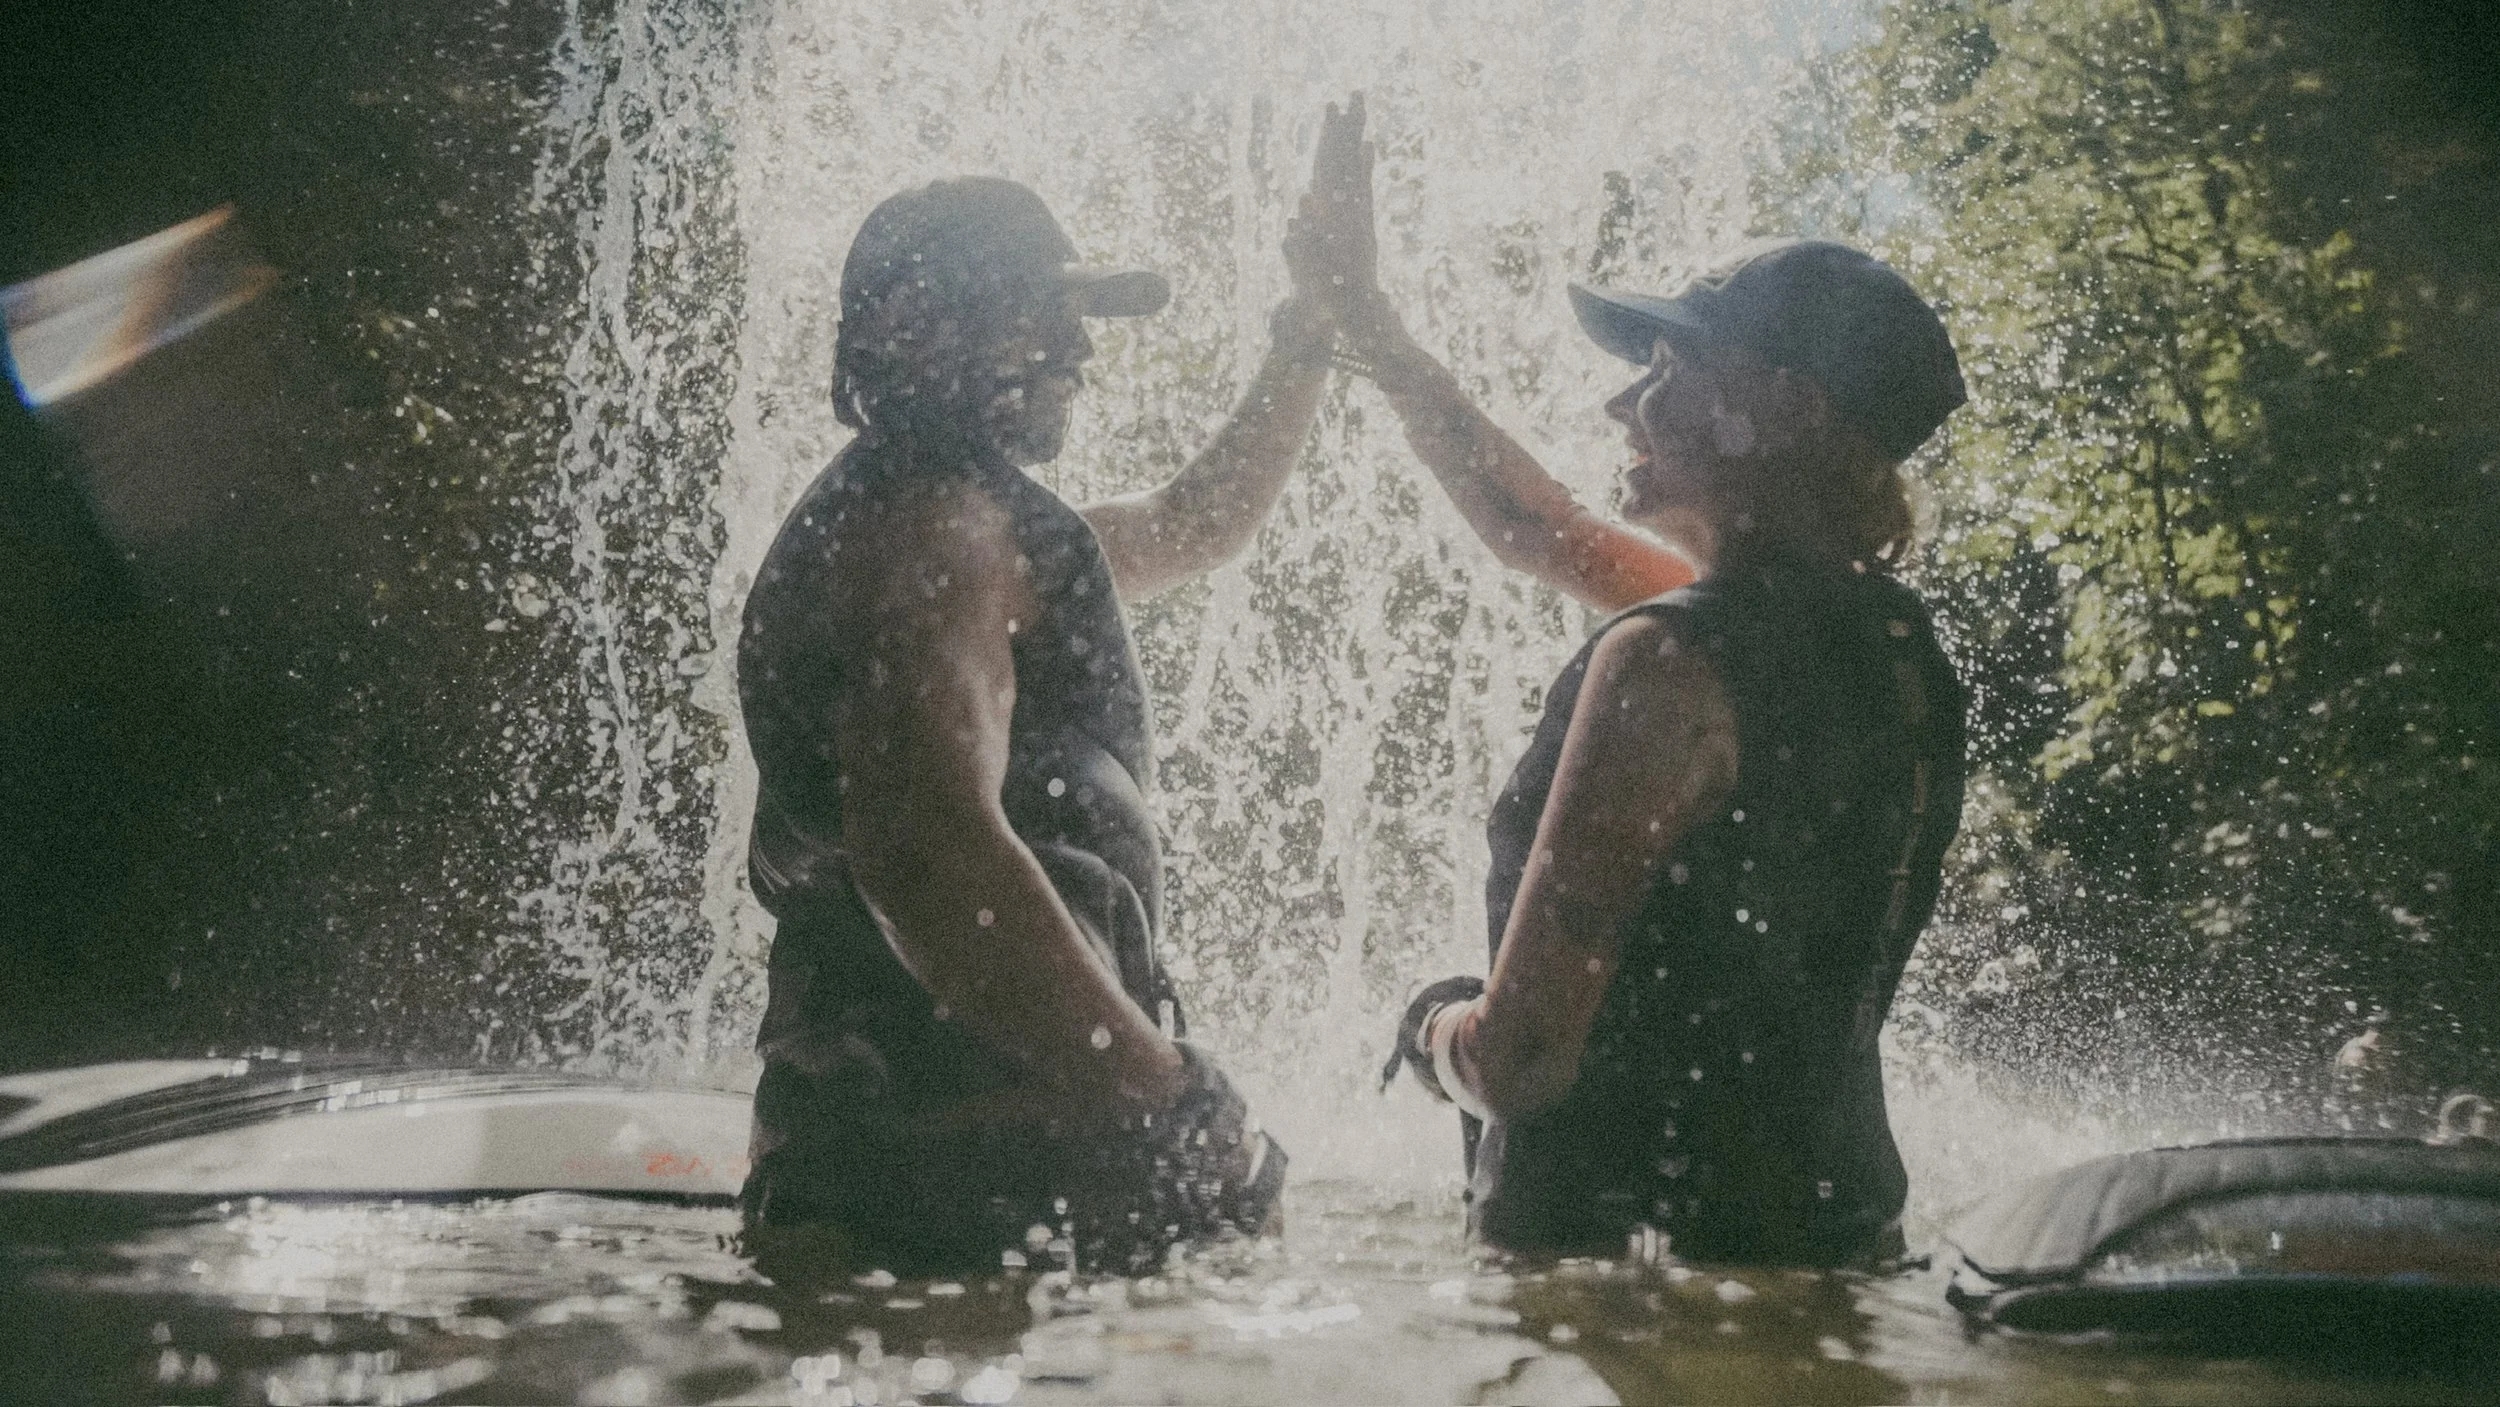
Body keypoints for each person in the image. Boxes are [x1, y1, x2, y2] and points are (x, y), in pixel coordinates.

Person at [1326, 98, 1971, 1265]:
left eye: (1670, 368)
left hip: (1625, 1279)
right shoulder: (1892, 648)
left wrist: (1429, 1028)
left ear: (1787, 410)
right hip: (1833, 1245)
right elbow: (1539, 528)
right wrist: (1369, 325)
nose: (1622, 403)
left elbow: (1519, 1066)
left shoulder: (1664, 663)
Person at [736, 116, 1370, 1273]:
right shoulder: (937, 536)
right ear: (910, 325)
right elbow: (927, 849)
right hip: (959, 1197)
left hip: (928, 1176)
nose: (1080, 349)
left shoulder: (944, 524)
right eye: (1041, 310)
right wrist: (1156, 1093)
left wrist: (1312, 324)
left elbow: (1198, 521)